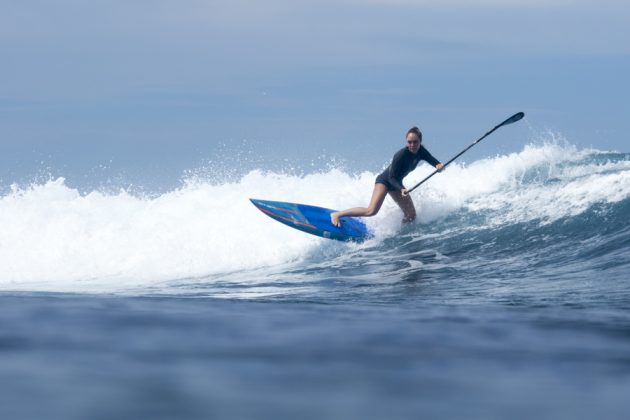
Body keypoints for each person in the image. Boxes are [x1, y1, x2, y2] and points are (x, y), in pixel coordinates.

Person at [331, 126, 444, 227]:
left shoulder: (421, 151)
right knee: (371, 211)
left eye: (415, 142)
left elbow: (433, 161)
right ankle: (337, 214)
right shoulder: (400, 155)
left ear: (420, 141)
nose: (412, 145)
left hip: (397, 184)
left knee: (411, 215)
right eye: (409, 142)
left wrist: (438, 165)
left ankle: (401, 233)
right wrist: (401, 189)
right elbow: (391, 177)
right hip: (385, 181)